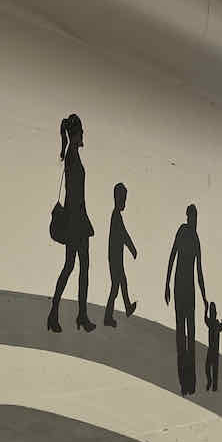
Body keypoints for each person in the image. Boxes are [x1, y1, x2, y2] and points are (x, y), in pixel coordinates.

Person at [47, 114, 96, 333]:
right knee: (74, 267)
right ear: (75, 134)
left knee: (76, 267)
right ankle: (68, 314)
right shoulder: (72, 155)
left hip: (77, 220)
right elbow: (74, 193)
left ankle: (70, 314)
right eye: (81, 131)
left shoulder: (72, 154)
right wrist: (79, 220)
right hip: (76, 221)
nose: (83, 134)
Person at [165, 204, 207, 396]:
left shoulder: (196, 239)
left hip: (189, 291)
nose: (195, 221)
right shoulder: (182, 231)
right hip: (180, 289)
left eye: (196, 218)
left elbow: (199, 272)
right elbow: (172, 256)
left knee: (190, 335)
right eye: (192, 217)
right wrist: (166, 283)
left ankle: (191, 383)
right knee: (181, 335)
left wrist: (204, 297)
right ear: (188, 217)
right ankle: (184, 382)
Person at [103, 182, 138, 327]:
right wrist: (132, 248)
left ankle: (127, 307)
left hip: (116, 258)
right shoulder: (116, 216)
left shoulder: (116, 216)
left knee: (122, 283)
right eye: (123, 199)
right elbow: (124, 235)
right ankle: (108, 316)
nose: (124, 203)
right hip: (115, 259)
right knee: (116, 287)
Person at [203, 301, 222, 392]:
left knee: (213, 368)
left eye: (213, 312)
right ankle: (211, 382)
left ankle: (213, 385)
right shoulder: (212, 322)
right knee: (208, 367)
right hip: (212, 349)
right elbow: (206, 319)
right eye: (211, 312)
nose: (212, 313)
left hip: (214, 350)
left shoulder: (215, 323)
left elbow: (221, 328)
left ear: (215, 313)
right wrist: (206, 310)